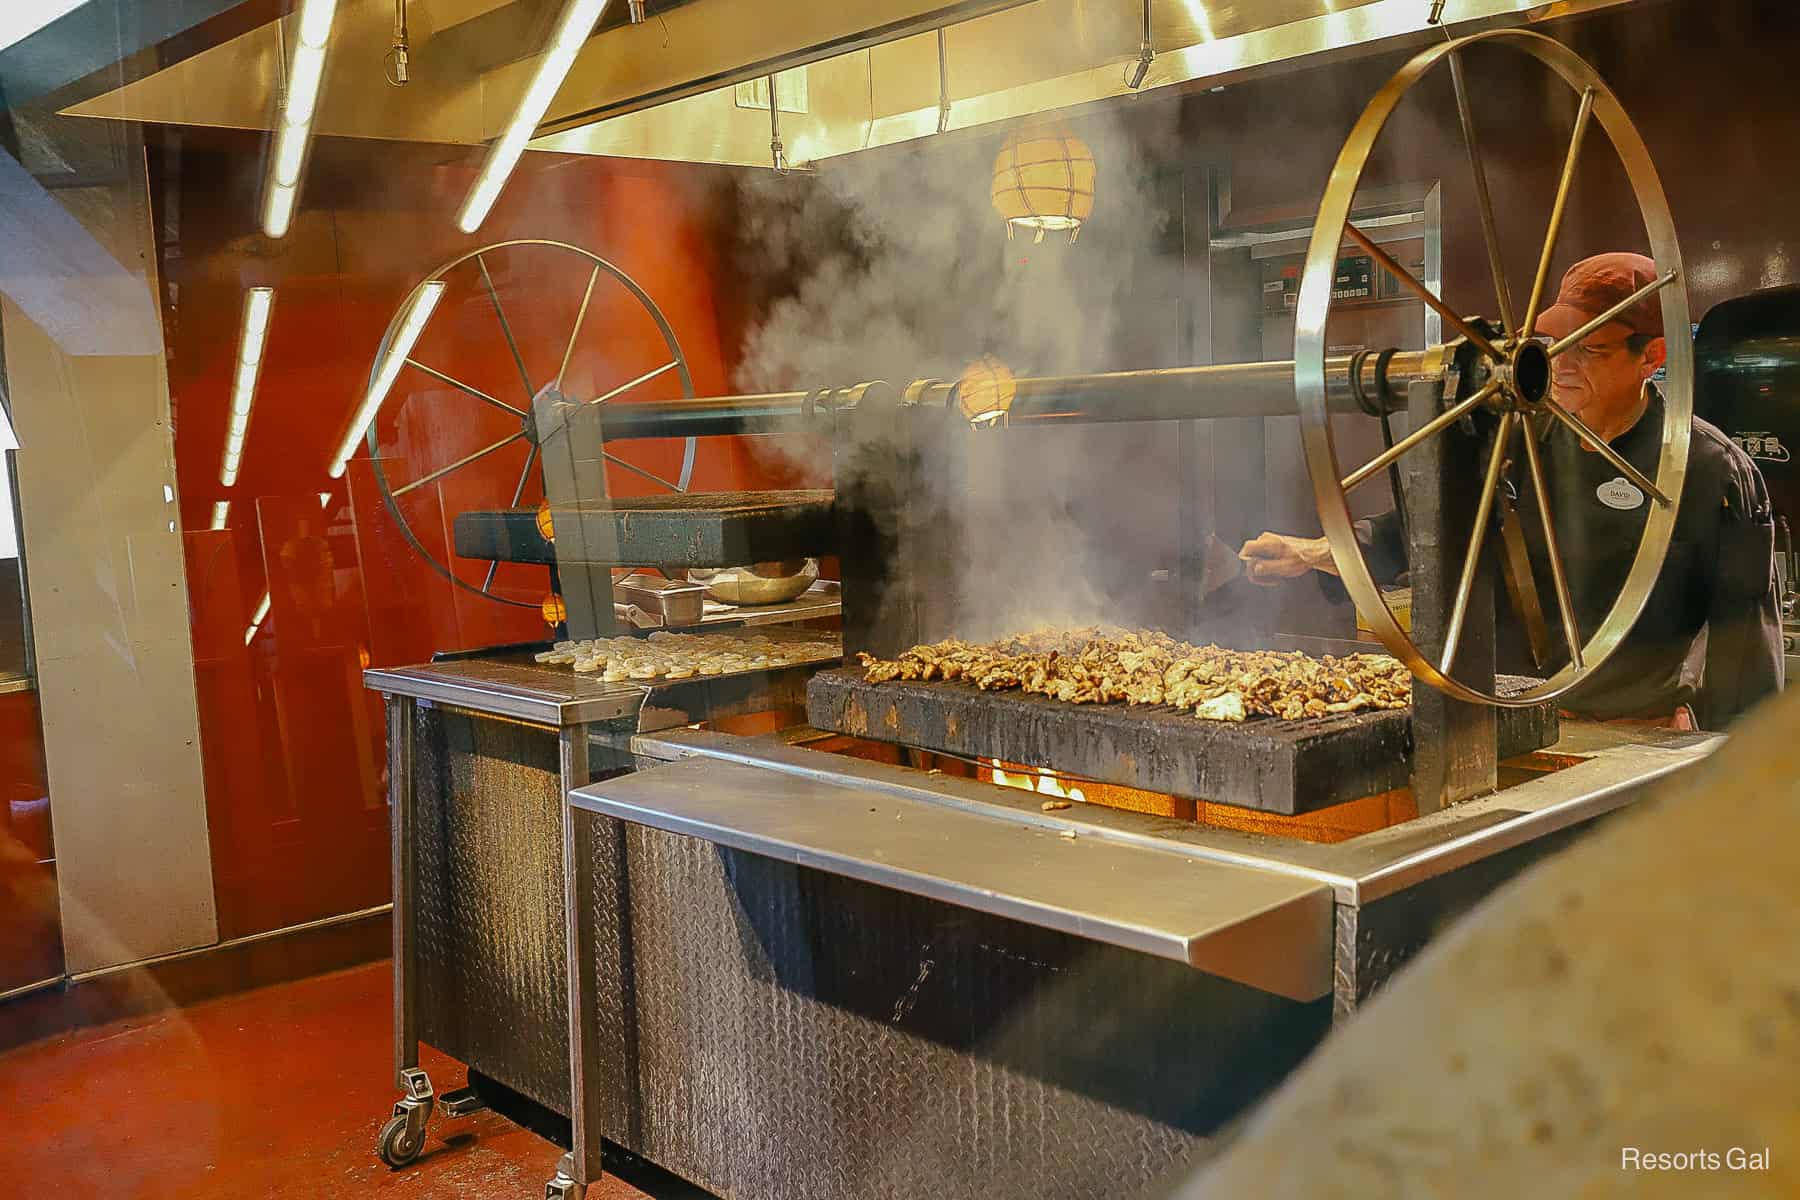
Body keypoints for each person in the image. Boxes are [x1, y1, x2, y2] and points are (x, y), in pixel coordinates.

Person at [1240, 253, 1783, 729]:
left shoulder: (1711, 470)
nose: (1562, 364)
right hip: (1515, 723)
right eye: (1554, 344)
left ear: (1652, 356)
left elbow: (1746, 643)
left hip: (1640, 733)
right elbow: (1425, 533)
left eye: (1589, 349)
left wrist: (1720, 743)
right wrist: (1315, 552)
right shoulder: (1516, 439)